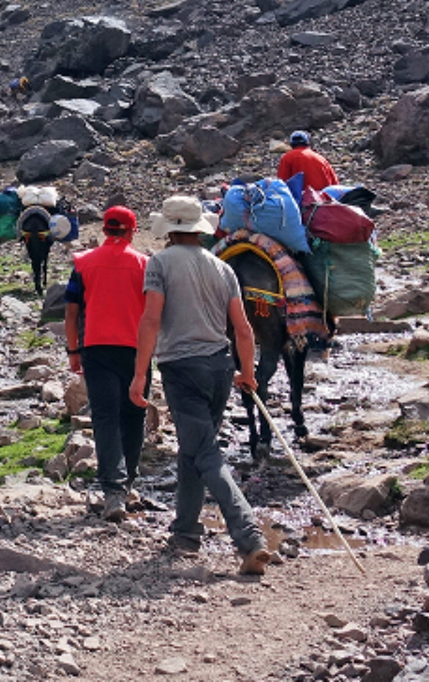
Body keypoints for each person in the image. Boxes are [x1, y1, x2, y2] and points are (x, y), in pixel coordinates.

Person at [130, 196, 275, 575]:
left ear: (169, 230)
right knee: (193, 448)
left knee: (205, 452)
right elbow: (243, 329)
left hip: (181, 367)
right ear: (198, 230)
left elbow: (151, 320)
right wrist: (247, 372)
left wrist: (140, 374)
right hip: (220, 367)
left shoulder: (160, 263)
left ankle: (249, 537)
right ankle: (185, 533)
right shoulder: (222, 267)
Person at [62, 206, 151, 522]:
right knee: (134, 414)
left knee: (105, 418)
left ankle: (113, 491)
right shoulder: (145, 265)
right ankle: (127, 483)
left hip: (96, 348)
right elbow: (155, 313)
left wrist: (73, 350)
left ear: (104, 230)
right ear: (132, 232)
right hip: (136, 350)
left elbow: (71, 312)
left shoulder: (83, 263)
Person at [16, 200, 56, 294]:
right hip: (44, 234)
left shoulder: (25, 204)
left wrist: (19, 236)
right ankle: (44, 278)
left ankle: (37, 282)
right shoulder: (48, 204)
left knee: (34, 258)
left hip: (28, 233)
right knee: (44, 255)